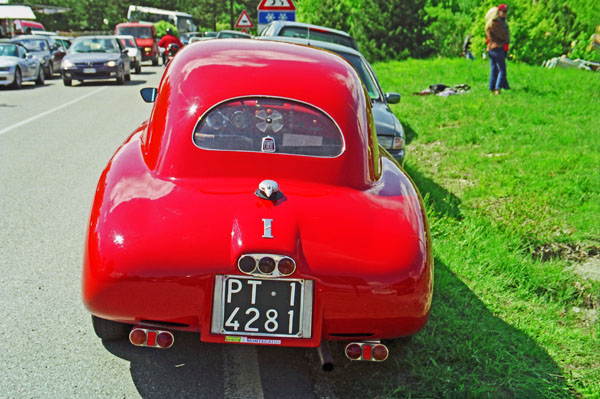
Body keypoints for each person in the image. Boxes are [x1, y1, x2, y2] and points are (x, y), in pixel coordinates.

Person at [485, 4, 510, 94]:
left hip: (491, 49)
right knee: (502, 70)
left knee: (494, 69)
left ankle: (491, 88)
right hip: (497, 48)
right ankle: (497, 89)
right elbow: (502, 36)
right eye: (503, 11)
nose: (505, 14)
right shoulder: (496, 24)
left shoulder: (489, 24)